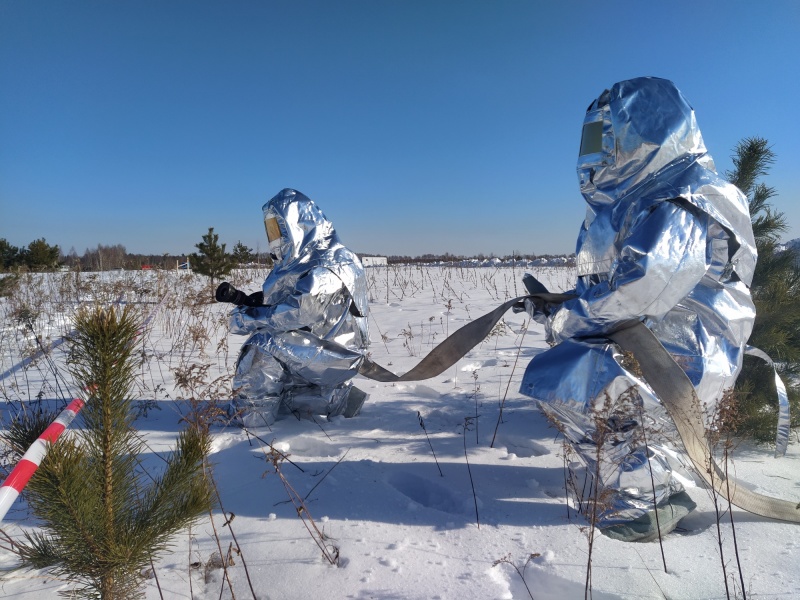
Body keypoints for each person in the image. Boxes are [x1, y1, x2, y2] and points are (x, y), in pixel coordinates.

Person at [518, 77, 758, 542]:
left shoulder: (683, 198)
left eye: (605, 139)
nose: (595, 154)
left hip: (682, 352)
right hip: (652, 344)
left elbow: (643, 286)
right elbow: (610, 287)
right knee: (571, 381)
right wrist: (558, 307)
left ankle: (649, 501)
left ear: (643, 135)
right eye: (592, 140)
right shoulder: (630, 202)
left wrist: (569, 318)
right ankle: (639, 483)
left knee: (573, 380)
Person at [216, 188, 370, 428]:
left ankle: (251, 416)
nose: (274, 236)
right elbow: (278, 301)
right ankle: (334, 400)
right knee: (278, 376)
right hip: (314, 348)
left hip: (337, 355)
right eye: (270, 229)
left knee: (262, 344)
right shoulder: (298, 261)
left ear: (297, 224)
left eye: (277, 228)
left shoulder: (331, 261)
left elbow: (299, 311)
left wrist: (249, 318)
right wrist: (254, 304)